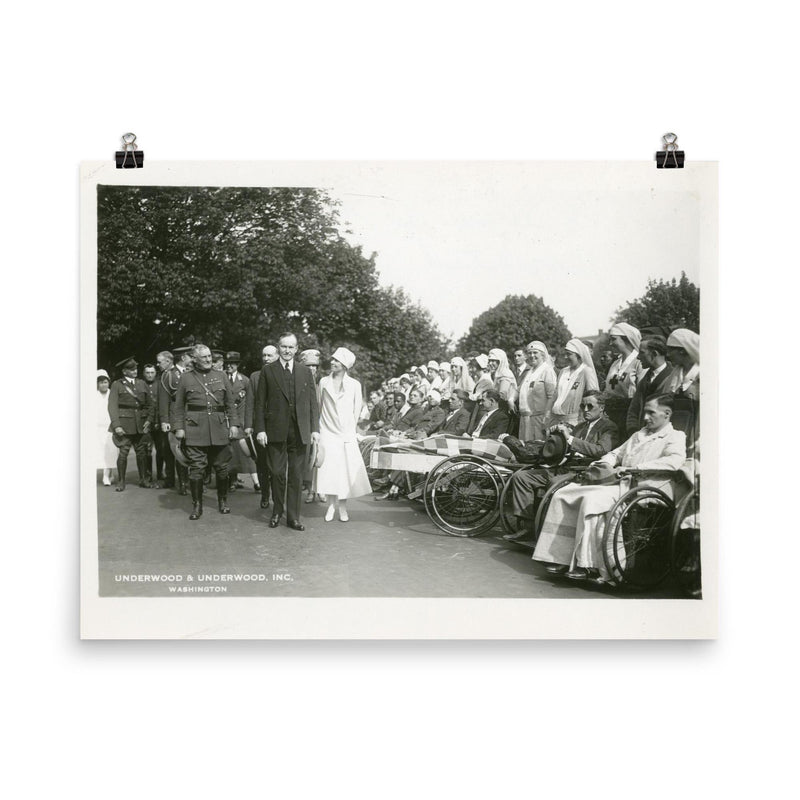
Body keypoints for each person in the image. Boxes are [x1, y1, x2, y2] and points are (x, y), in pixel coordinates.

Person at [533, 394, 686, 582]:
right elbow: (616, 454)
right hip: (622, 484)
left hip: (645, 487)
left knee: (592, 501)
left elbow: (674, 461)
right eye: (645, 412)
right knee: (563, 494)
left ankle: (588, 564)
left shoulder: (675, 436)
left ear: (667, 413)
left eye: (651, 413)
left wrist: (636, 468)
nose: (645, 417)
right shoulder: (639, 435)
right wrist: (603, 463)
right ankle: (559, 556)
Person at [502, 390, 618, 541]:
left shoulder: (609, 427)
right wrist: (555, 437)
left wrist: (569, 438)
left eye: (590, 406)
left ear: (601, 407)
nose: (585, 410)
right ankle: (527, 526)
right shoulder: (580, 426)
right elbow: (564, 446)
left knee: (553, 483)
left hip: (584, 471)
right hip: (564, 468)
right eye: (582, 406)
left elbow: (601, 450)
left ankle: (549, 533)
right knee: (521, 477)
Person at [254, 333, 321, 531]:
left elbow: (313, 403)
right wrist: (260, 429)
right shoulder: (268, 371)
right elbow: (260, 403)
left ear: (296, 349)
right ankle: (277, 511)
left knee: (296, 475)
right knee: (276, 473)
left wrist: (315, 429)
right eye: (284, 346)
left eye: (291, 347)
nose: (287, 350)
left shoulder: (304, 372)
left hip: (300, 431)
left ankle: (293, 517)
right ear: (279, 347)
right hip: (275, 429)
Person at [172, 344, 240, 519]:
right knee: (196, 469)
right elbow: (178, 406)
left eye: (210, 356)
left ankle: (223, 501)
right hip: (195, 429)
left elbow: (230, 404)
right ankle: (197, 506)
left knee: (222, 467)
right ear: (195, 359)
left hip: (219, 428)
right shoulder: (186, 378)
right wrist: (179, 428)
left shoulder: (221, 375)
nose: (209, 359)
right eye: (204, 357)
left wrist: (234, 424)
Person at [316, 347, 373, 522]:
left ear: (345, 365)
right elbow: (319, 406)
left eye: (337, 360)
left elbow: (356, 411)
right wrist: (319, 430)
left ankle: (342, 506)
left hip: (345, 434)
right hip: (327, 431)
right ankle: (331, 506)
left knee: (344, 472)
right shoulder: (323, 382)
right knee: (329, 470)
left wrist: (349, 432)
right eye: (333, 359)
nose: (332, 362)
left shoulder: (355, 385)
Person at [107, 357, 154, 492]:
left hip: (141, 424)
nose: (135, 371)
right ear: (124, 371)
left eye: (136, 369)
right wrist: (116, 425)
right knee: (123, 453)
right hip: (124, 425)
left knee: (142, 453)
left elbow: (150, 405)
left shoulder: (142, 383)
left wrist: (149, 420)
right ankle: (121, 481)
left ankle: (143, 479)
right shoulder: (117, 385)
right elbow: (112, 407)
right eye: (131, 369)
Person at [246, 344, 279, 508]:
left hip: (278, 426)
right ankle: (265, 495)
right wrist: (248, 425)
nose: (266, 359)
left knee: (278, 464)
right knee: (262, 463)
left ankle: (278, 497)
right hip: (260, 426)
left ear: (277, 356)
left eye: (269, 355)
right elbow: (250, 402)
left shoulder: (282, 374)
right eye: (264, 355)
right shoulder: (255, 376)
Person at [157, 347, 191, 495]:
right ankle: (182, 483)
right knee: (178, 449)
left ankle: (193, 480)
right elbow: (164, 399)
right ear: (183, 358)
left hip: (192, 418)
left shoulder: (191, 372)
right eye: (190, 356)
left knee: (192, 449)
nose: (193, 359)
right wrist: (164, 420)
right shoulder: (170, 375)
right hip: (175, 418)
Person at [625, 336, 672, 436]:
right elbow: (634, 409)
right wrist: (633, 431)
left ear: (654, 354)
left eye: (642, 352)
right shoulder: (645, 380)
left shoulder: (672, 379)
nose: (638, 357)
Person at [603, 322, 644, 434]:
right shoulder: (615, 363)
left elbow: (642, 393)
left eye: (614, 339)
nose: (610, 343)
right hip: (611, 414)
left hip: (629, 415)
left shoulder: (639, 362)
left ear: (626, 339)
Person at [225, 351, 256, 492]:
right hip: (226, 420)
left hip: (241, 420)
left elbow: (250, 402)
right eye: (227, 363)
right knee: (229, 451)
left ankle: (256, 481)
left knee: (245, 450)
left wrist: (248, 422)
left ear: (237, 365)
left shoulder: (245, 380)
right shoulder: (221, 378)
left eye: (232, 363)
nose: (229, 366)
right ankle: (232, 480)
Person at [549, 338, 599, 426]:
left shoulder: (586, 372)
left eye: (569, 354)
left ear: (578, 355)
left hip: (575, 421)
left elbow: (592, 397)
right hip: (556, 419)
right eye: (565, 354)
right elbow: (555, 394)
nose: (565, 357)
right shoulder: (563, 371)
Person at [517, 340, 557, 441]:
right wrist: (511, 399)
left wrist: (546, 418)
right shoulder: (529, 372)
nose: (532, 355)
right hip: (525, 419)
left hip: (539, 419)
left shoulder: (547, 371)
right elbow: (519, 389)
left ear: (542, 355)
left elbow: (552, 396)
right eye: (529, 353)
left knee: (536, 445)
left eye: (535, 352)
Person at [665, 328, 700, 400]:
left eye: (670, 350)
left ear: (682, 351)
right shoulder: (674, 374)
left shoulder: (702, 374)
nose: (668, 355)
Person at [96, 369, 117, 485]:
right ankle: (107, 475)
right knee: (101, 452)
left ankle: (107, 474)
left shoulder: (112, 394)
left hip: (111, 428)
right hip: (98, 428)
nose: (104, 385)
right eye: (101, 382)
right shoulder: (94, 395)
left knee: (111, 451)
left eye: (105, 382)